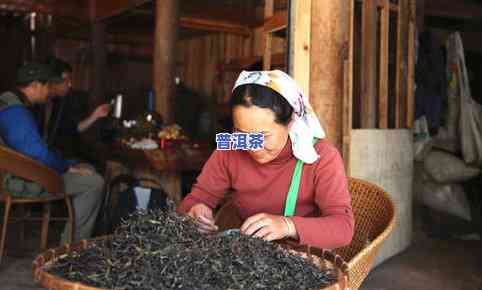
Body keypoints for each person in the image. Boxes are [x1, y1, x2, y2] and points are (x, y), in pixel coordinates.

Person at [177, 70, 354, 249]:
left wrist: (288, 225)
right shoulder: (231, 146)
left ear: (291, 122)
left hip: (304, 261)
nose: (252, 146)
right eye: (242, 133)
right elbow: (195, 199)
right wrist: (196, 210)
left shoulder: (321, 156)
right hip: (249, 256)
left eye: (263, 136)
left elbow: (343, 228)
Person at [0, 62, 105, 243]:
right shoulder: (16, 113)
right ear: (34, 86)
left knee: (86, 169)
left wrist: (69, 165)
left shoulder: (8, 102)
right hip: (23, 180)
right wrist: (66, 167)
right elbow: (38, 153)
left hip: (17, 173)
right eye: (47, 85)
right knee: (94, 182)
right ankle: (71, 248)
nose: (50, 90)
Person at [45, 58, 110, 160]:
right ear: (54, 81)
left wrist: (96, 115)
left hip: (58, 159)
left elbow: (75, 128)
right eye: (67, 80)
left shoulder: (64, 101)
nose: (70, 84)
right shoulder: (38, 104)